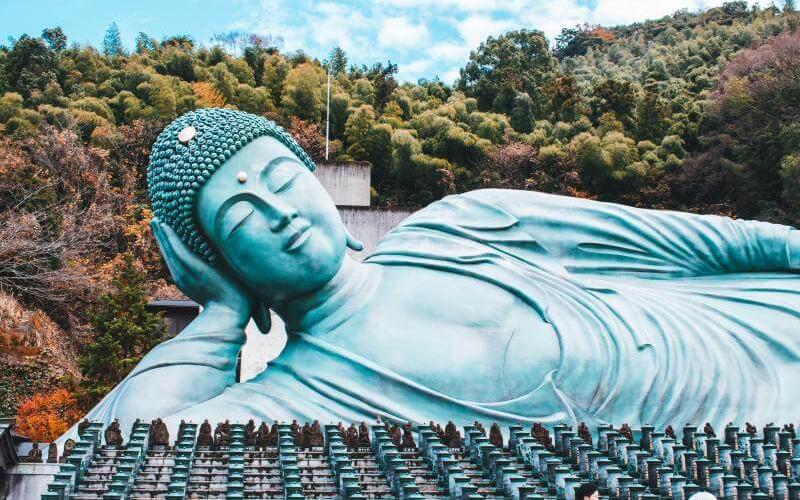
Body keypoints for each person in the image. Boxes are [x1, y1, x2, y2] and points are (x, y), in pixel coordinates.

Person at [61, 109, 800, 442]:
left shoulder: (462, 224)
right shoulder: (295, 401)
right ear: (213, 259)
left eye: (282, 179)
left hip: (761, 332)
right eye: (241, 216)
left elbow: (700, 244)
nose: (279, 211)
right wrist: (220, 316)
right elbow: (118, 462)